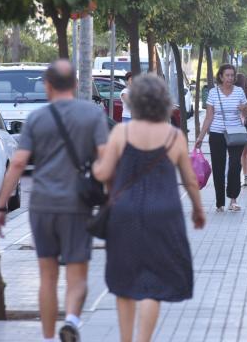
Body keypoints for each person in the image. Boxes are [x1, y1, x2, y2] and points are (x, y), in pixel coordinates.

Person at [0, 60, 109, 342]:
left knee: (47, 277)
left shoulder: (37, 118)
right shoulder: (92, 115)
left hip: (42, 206)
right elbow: (106, 160)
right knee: (77, 274)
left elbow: (18, 163)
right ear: (75, 85)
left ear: (48, 85)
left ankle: (47, 339)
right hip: (77, 206)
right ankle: (70, 320)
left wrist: (0, 206)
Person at [93, 74, 206, 342]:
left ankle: (126, 340)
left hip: (125, 214)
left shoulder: (122, 132)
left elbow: (103, 173)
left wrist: (95, 164)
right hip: (164, 214)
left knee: (124, 281)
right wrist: (198, 210)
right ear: (163, 103)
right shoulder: (174, 136)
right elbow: (190, 179)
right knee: (154, 284)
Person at [195, 64, 247, 211]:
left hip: (235, 133)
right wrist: (200, 137)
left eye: (232, 75)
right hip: (216, 133)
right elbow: (209, 116)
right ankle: (220, 203)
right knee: (218, 168)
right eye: (227, 75)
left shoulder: (239, 92)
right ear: (221, 76)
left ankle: (233, 199)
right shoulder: (213, 93)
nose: (230, 78)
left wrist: (244, 109)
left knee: (235, 165)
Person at [235, 74, 247, 186]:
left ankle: (234, 177)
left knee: (234, 154)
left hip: (234, 127)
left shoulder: (233, 94)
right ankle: (246, 177)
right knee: (245, 154)